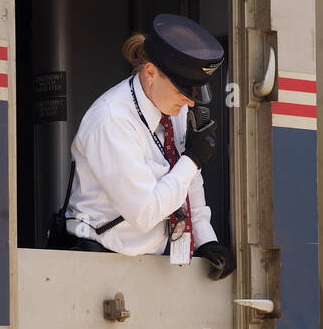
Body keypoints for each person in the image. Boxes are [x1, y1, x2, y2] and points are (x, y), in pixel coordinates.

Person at [63, 14, 235, 278]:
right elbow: (145, 212)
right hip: (99, 259)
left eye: (195, 94)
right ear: (151, 72)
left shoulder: (171, 107)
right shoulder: (111, 120)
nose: (189, 103)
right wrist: (193, 159)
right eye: (183, 91)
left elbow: (188, 179)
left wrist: (205, 238)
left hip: (150, 258)